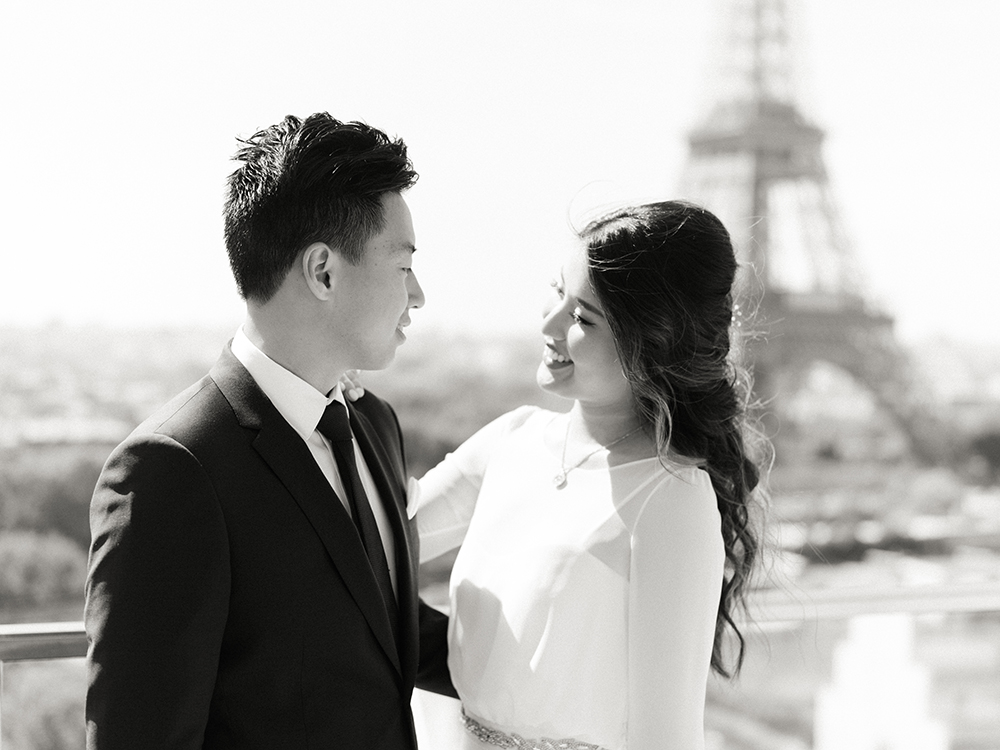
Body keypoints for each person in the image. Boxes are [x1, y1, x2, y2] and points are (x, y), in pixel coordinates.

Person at [84, 112, 456, 750]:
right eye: (403, 265)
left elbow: (388, 635)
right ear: (323, 272)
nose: (418, 294)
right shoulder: (172, 469)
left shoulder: (373, 424)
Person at [409, 200, 767, 750]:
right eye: (556, 293)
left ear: (652, 340)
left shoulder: (670, 497)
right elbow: (373, 540)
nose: (548, 324)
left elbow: (665, 739)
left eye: (581, 318)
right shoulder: (513, 440)